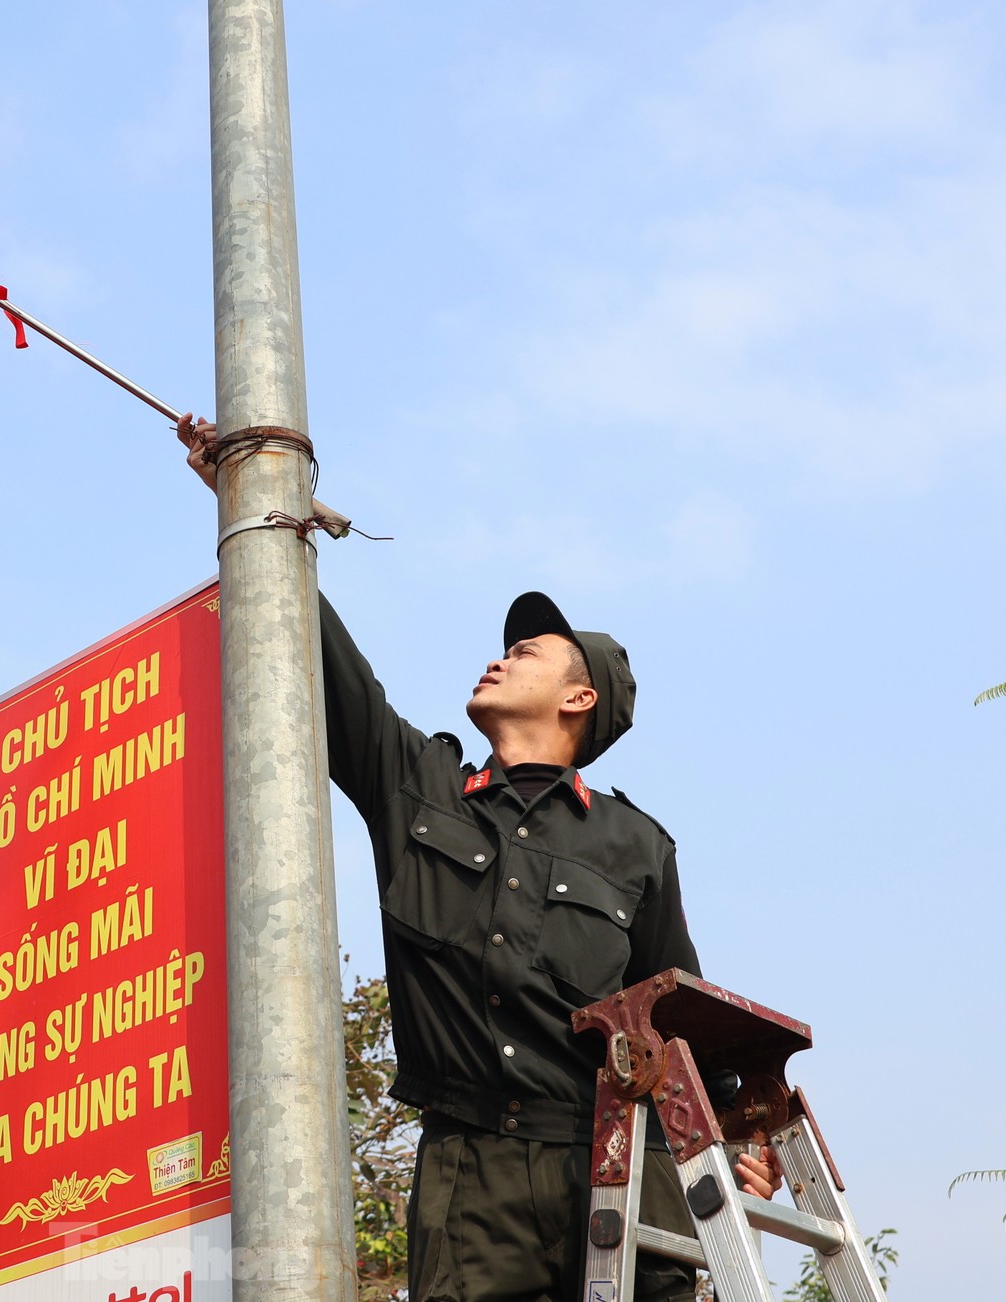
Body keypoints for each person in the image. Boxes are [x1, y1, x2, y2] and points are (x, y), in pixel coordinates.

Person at [177, 418, 779, 1302]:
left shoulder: (635, 847)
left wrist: (739, 1132)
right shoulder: (417, 790)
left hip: (615, 1158)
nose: (501, 657)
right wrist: (252, 493)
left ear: (580, 698)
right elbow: (331, 676)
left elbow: (678, 1017)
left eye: (527, 652)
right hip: (470, 1180)